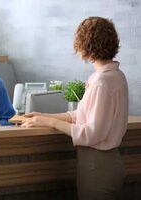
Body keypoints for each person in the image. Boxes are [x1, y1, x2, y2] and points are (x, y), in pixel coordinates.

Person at [21, 17, 128, 200]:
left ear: (85, 45)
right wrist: (43, 115)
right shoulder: (116, 76)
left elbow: (91, 133)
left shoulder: (102, 81)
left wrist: (50, 122)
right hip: (111, 163)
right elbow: (83, 115)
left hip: (97, 165)